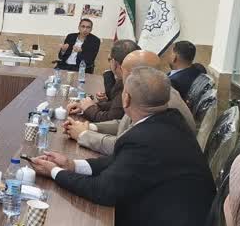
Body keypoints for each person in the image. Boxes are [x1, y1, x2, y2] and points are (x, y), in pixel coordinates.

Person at [32, 66, 215, 226]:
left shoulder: (145, 136)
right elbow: (118, 162)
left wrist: (54, 173)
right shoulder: (169, 121)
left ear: (126, 99)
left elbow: (102, 191)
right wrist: (71, 165)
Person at [65, 50, 196, 155]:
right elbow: (125, 123)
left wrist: (83, 135)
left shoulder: (157, 98)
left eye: (123, 70)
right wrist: (91, 127)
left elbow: (125, 145)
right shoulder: (151, 89)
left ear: (135, 74)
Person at [67, 39, 139, 123]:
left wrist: (89, 109)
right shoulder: (137, 78)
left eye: (109, 59)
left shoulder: (126, 83)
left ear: (114, 62)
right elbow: (114, 105)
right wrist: (85, 106)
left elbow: (111, 119)